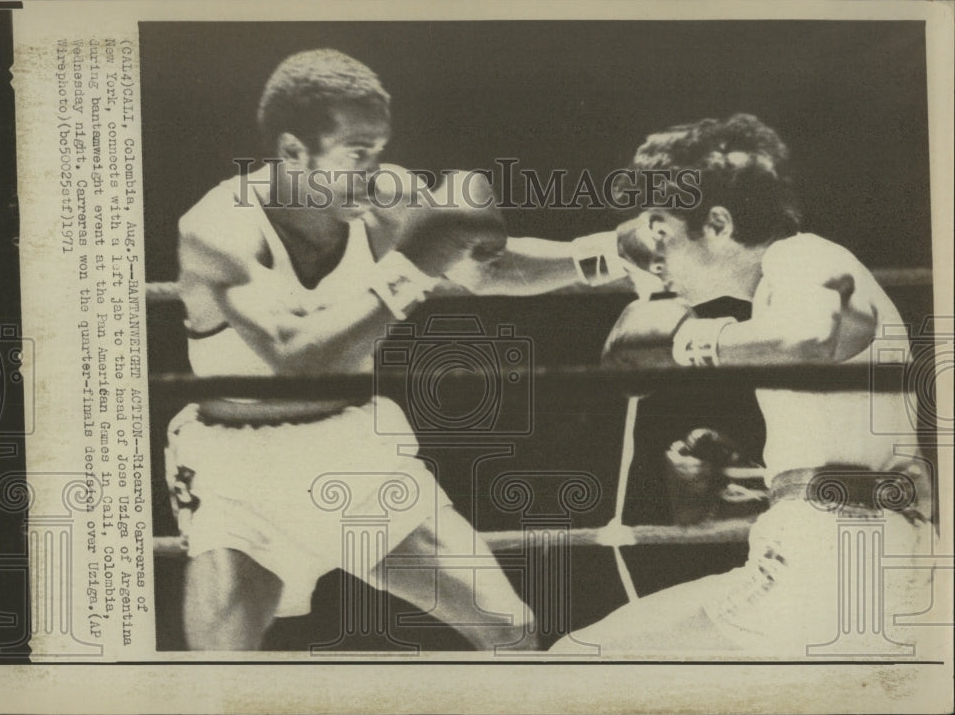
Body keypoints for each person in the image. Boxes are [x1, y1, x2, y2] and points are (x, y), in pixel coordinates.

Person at [166, 48, 658, 651]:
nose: (375, 169)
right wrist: (408, 266)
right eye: (357, 152)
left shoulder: (385, 195)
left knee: (511, 630)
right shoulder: (218, 227)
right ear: (294, 151)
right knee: (216, 676)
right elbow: (295, 358)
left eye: (380, 147)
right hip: (240, 478)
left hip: (354, 452)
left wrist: (609, 253)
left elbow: (489, 266)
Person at [548, 113, 932, 655]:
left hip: (827, 572)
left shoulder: (800, 257)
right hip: (858, 559)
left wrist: (685, 341)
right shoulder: (794, 276)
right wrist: (742, 485)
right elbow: (846, 463)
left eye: (663, 230)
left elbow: (811, 335)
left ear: (720, 224)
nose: (657, 259)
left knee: (576, 660)